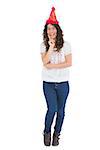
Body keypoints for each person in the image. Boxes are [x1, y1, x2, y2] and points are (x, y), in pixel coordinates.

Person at [40, 7, 72, 146]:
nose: (51, 31)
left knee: (61, 111)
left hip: (63, 83)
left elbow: (69, 63)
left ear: (57, 30)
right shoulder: (43, 45)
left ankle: (56, 134)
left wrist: (51, 66)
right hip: (48, 83)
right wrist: (51, 47)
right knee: (52, 109)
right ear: (46, 32)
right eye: (48, 29)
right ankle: (46, 132)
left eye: (53, 29)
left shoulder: (66, 45)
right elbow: (44, 61)